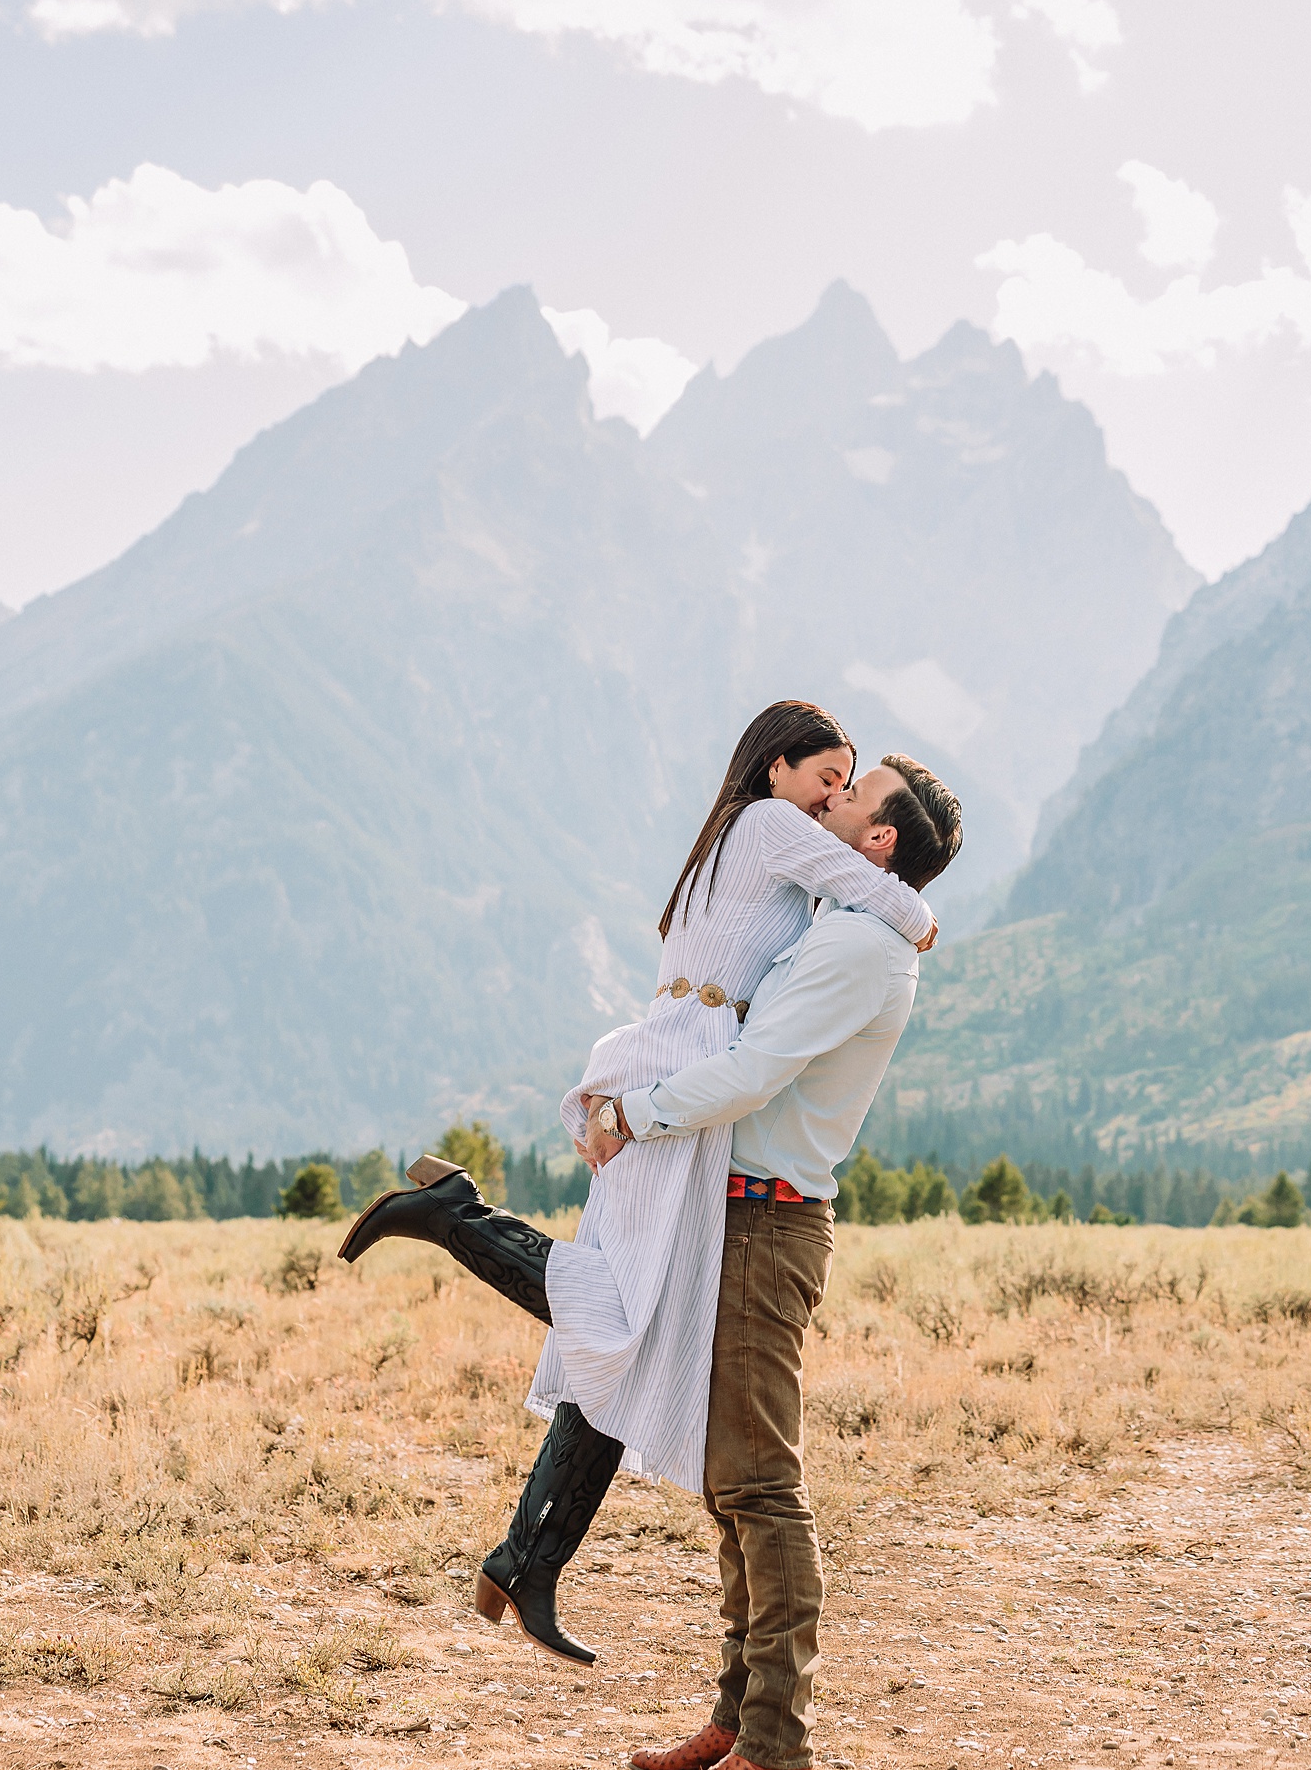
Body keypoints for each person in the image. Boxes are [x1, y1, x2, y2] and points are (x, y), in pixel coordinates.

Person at [337, 701, 937, 1665]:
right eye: (830, 775)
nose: (833, 795)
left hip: (671, 1059)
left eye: (849, 785)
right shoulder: (773, 826)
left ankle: (529, 1555)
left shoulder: (750, 834)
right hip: (682, 1074)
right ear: (780, 768)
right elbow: (903, 909)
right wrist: (923, 912)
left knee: (627, 1325)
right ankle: (457, 1216)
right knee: (626, 1313)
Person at [580, 750, 962, 1770]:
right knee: (731, 1481)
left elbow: (752, 1072)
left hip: (765, 1221)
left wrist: (629, 1115)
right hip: (736, 1209)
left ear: (881, 841)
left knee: (760, 1486)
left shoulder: (854, 947)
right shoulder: (838, 921)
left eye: (854, 795)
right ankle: (738, 1716)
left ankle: (776, 1746)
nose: (830, 802)